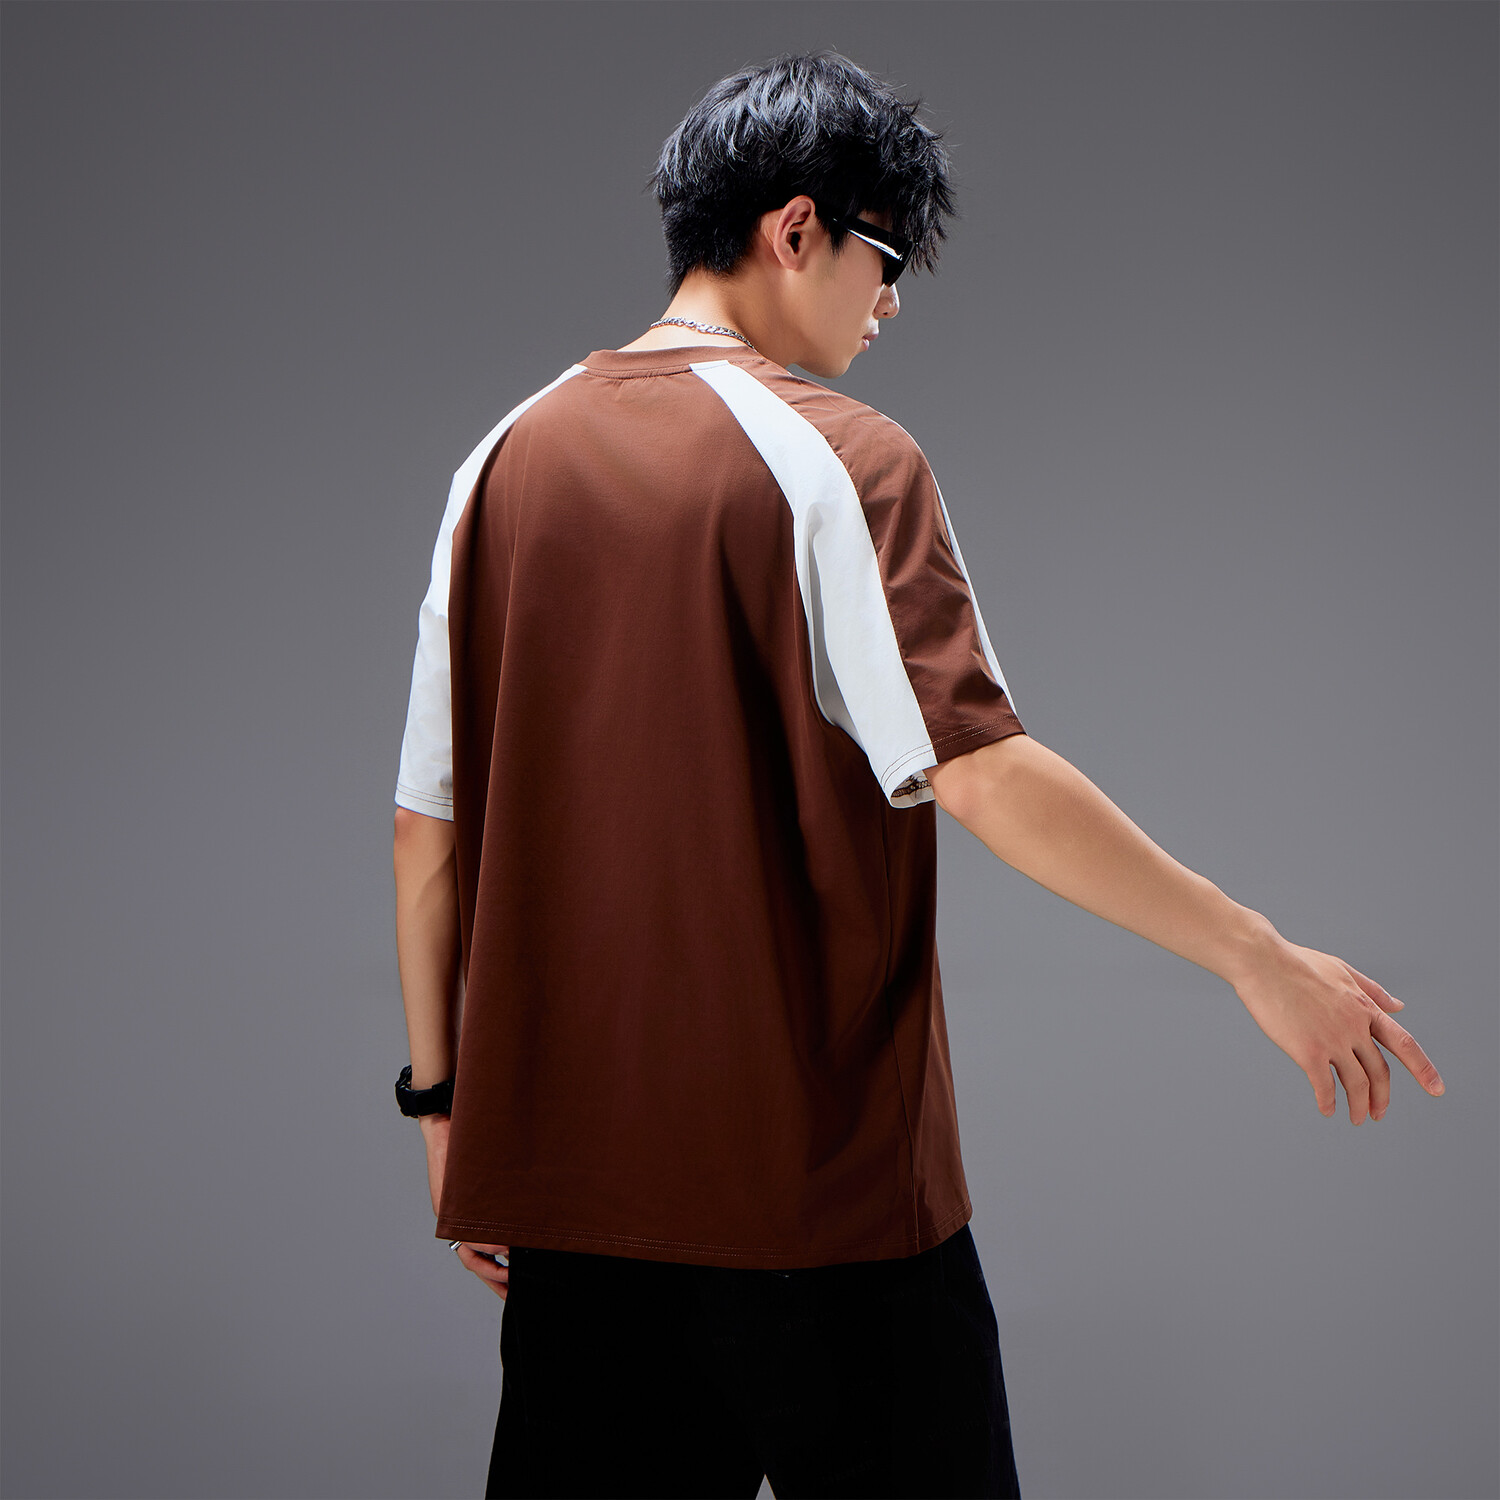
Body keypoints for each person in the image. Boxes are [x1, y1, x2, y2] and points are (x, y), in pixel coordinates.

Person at [390, 49, 1446, 1500]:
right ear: (796, 229)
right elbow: (981, 770)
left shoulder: (497, 465)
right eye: (885, 263)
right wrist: (1255, 956)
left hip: (575, 1221)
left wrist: (445, 1114)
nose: (889, 307)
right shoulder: (841, 460)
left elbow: (428, 831)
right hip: (828, 1214)